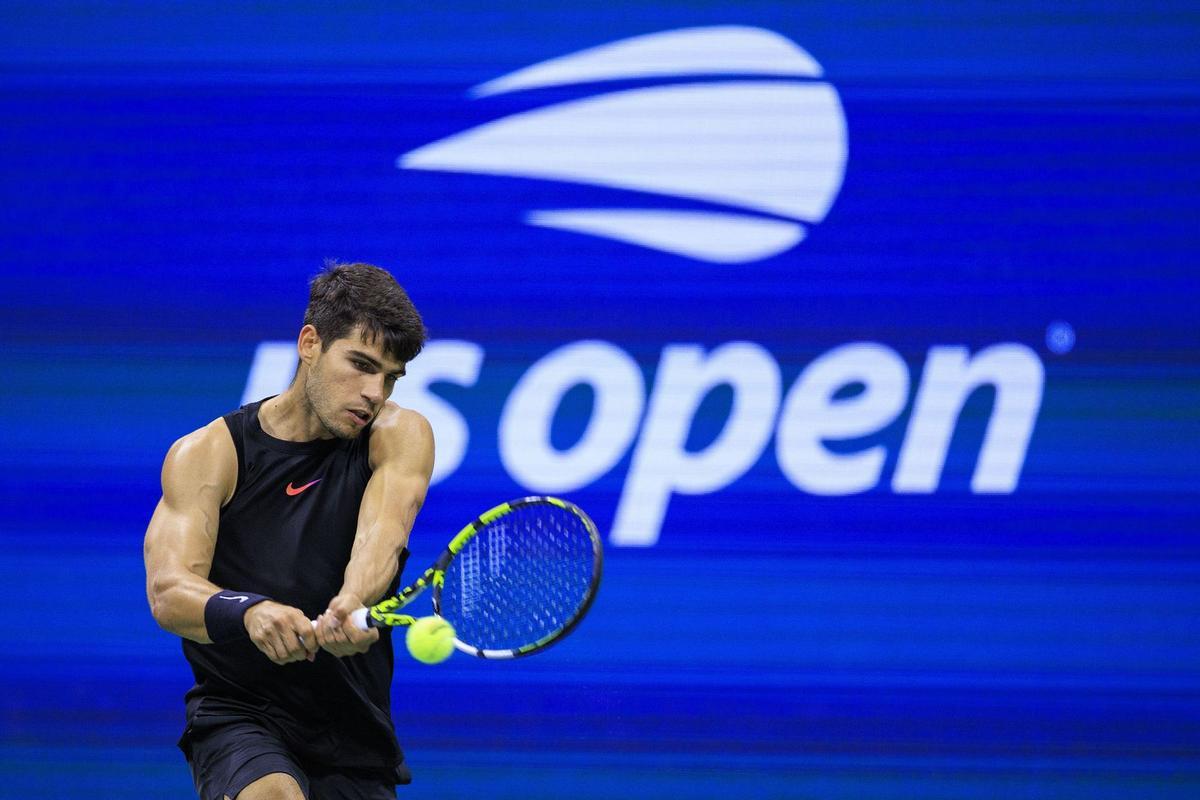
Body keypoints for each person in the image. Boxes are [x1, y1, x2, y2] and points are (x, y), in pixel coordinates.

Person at [144, 262, 434, 800]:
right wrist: (248, 611)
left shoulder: (399, 434)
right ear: (309, 343)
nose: (375, 392)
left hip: (353, 732)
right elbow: (168, 592)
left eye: (390, 377)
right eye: (361, 364)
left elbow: (384, 533)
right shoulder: (210, 454)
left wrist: (352, 601)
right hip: (241, 714)